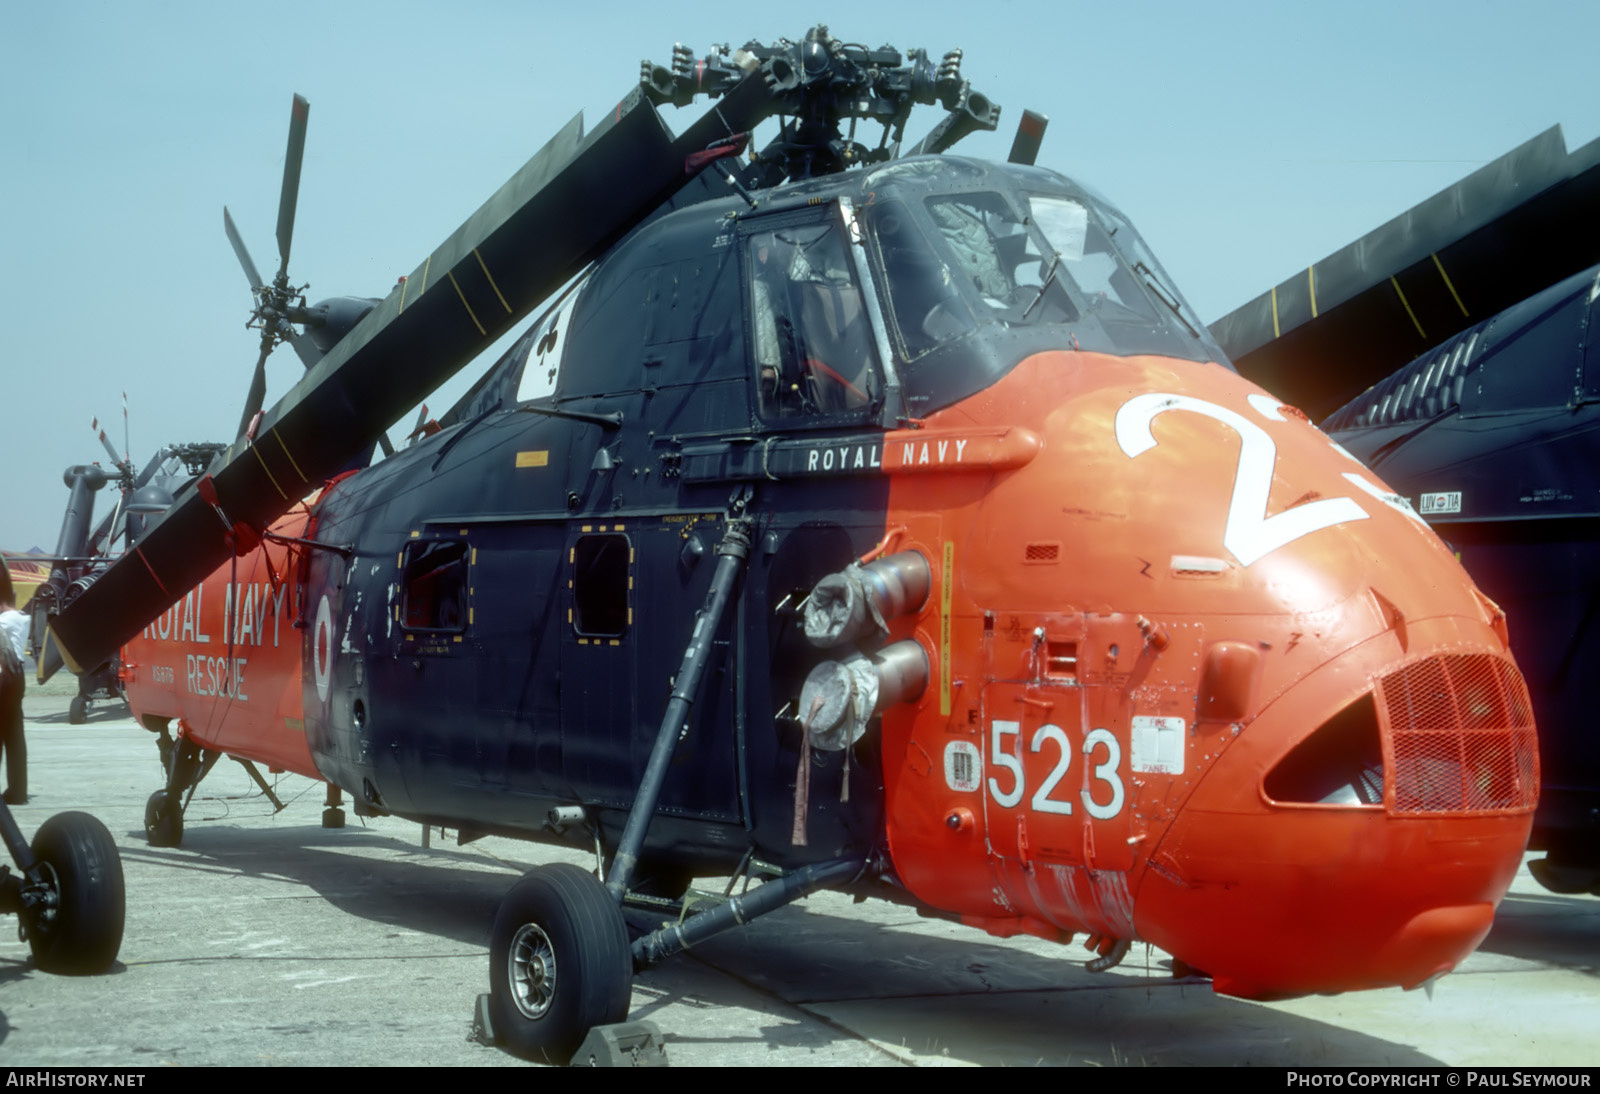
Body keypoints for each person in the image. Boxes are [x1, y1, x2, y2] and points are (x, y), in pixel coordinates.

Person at [0, 564, 28, 804]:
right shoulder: (21, 619)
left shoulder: (3, 622)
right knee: (15, 735)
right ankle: (18, 791)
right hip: (18, 677)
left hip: (2, 677)